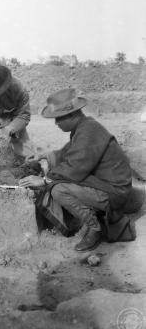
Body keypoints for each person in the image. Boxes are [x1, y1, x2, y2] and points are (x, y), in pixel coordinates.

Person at [19, 88, 132, 252]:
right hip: (105, 184)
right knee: (57, 179)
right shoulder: (84, 128)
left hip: (114, 191)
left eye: (58, 119)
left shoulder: (89, 131)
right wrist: (43, 157)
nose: (56, 123)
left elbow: (74, 167)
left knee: (58, 189)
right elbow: (66, 153)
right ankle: (89, 216)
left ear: (71, 115)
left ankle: (95, 228)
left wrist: (43, 180)